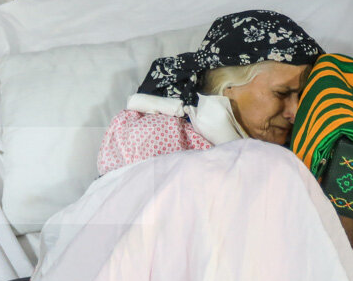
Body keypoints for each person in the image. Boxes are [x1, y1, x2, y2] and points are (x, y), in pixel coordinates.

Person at [97, 9, 321, 174]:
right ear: (229, 86)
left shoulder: (304, 151)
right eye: (281, 93)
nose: (295, 112)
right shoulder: (160, 137)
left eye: (302, 96)